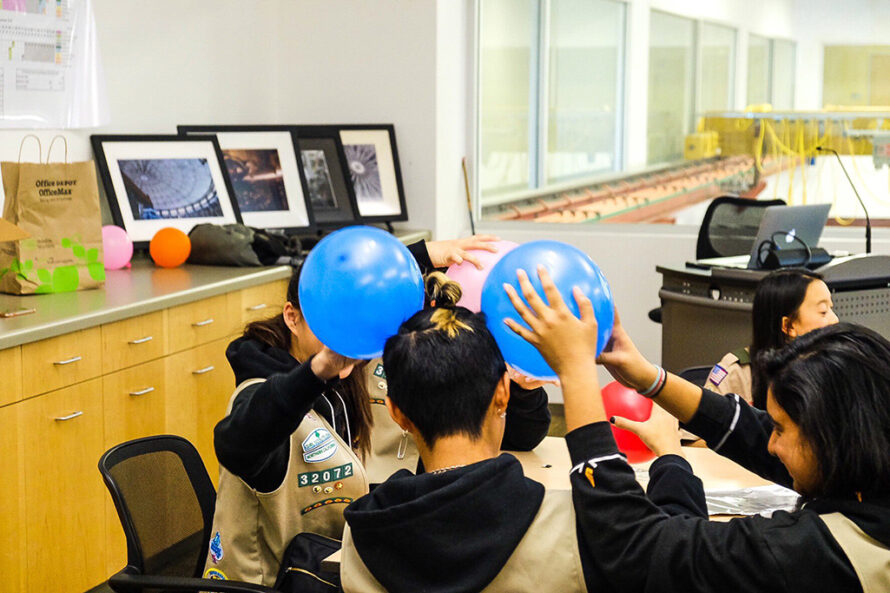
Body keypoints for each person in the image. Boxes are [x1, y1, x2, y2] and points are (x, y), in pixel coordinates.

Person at [504, 266, 890, 593]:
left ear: (836, 442)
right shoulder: (872, 458)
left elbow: (632, 547)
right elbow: (747, 430)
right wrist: (649, 379)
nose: (770, 446)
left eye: (781, 429)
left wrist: (577, 374)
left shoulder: (811, 553)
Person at [203, 236, 550, 585]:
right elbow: (238, 443)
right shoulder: (263, 395)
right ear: (292, 318)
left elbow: (518, 435)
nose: (347, 330)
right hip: (277, 581)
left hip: (342, 565)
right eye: (331, 319)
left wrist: (518, 390)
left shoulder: (360, 371)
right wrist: (319, 369)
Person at [339, 275, 707, 593]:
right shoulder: (573, 525)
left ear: (397, 413)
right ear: (503, 393)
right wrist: (671, 459)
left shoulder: (358, 537)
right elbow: (676, 561)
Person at [705, 268, 838, 408]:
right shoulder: (737, 374)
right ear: (788, 326)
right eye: (823, 311)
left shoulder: (835, 365)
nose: (835, 319)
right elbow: (701, 426)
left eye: (831, 308)